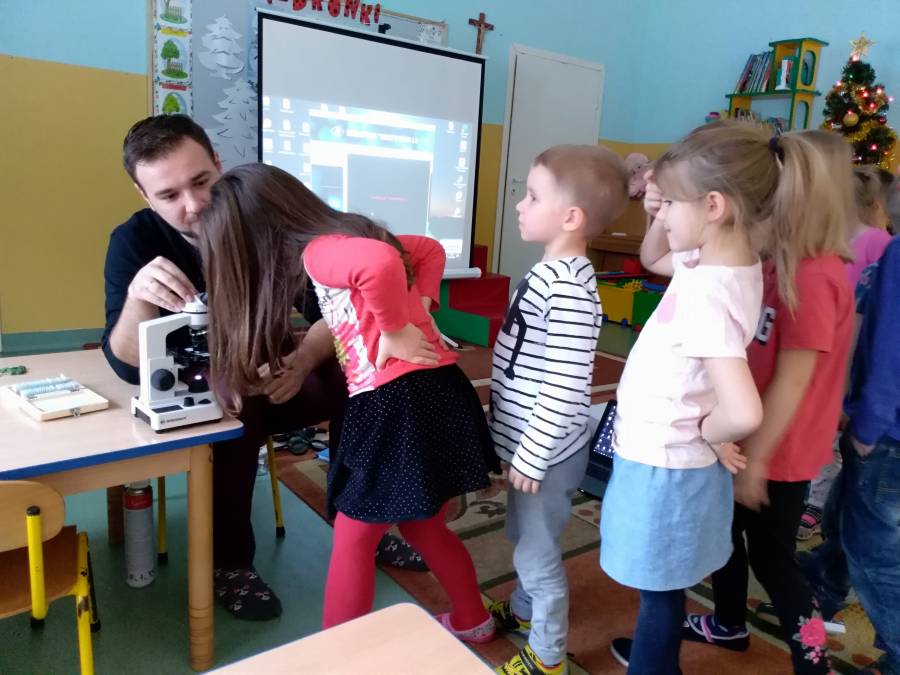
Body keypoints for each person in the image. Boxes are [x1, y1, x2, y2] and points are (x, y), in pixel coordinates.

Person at [196, 163, 501, 642]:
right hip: (433, 390)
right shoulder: (345, 237)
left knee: (353, 535)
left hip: (395, 401)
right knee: (423, 527)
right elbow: (427, 249)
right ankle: (473, 620)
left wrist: (395, 328)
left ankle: (338, 656)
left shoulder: (318, 252)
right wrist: (420, 303)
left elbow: (378, 263)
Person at [103, 115, 374, 621]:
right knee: (234, 403)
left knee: (357, 376)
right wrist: (139, 298)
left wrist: (303, 360)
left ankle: (361, 521)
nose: (193, 205)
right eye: (169, 195)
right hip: (205, 401)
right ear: (143, 195)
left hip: (278, 382)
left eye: (201, 181)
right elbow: (123, 362)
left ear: (218, 163)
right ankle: (229, 563)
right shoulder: (133, 242)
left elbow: (336, 312)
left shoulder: (263, 223)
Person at [601, 120, 796, 674]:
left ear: (713, 205)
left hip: (666, 465)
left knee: (659, 592)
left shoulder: (709, 292)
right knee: (663, 585)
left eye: (670, 204)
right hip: (670, 460)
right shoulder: (723, 263)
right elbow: (655, 259)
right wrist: (656, 213)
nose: (662, 214)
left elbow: (743, 411)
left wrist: (711, 436)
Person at [683, 129, 855, 675]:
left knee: (776, 563)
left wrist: (756, 461)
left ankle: (813, 660)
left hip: (778, 451)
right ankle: (728, 622)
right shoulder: (777, 263)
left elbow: (792, 383)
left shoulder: (815, 274)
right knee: (723, 537)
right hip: (750, 440)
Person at [486, 145, 628, 675]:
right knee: (526, 536)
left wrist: (531, 454)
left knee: (536, 551)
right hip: (531, 445)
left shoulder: (568, 288)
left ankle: (547, 657)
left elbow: (566, 386)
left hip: (545, 452)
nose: (519, 205)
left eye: (532, 196)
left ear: (571, 217)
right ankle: (525, 611)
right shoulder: (553, 272)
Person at [798, 235, 900, 675]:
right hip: (880, 424)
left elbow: (891, 343)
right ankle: (821, 586)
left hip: (886, 432)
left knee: (874, 551)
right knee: (844, 515)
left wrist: (870, 423)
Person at [797, 164, 893, 540]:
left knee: (839, 430)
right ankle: (816, 495)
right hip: (831, 348)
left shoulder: (878, 242)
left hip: (853, 356)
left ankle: (819, 501)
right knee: (823, 425)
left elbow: (878, 306)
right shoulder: (832, 239)